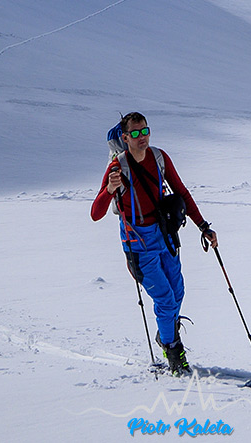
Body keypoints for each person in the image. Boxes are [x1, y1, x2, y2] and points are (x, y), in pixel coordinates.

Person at [91, 112, 217, 373]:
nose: (142, 137)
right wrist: (109, 190)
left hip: (165, 235)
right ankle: (174, 353)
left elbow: (181, 192)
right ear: (125, 138)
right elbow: (96, 213)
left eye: (145, 131)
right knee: (166, 299)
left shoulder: (159, 158)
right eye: (135, 133)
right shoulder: (117, 168)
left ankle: (166, 335)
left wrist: (203, 226)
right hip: (138, 244)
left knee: (177, 292)